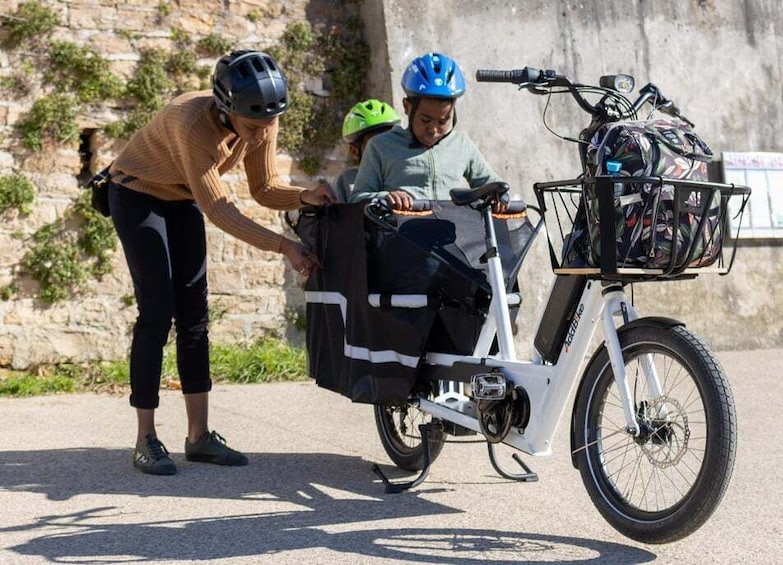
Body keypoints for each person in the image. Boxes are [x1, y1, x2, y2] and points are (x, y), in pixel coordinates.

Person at [107, 50, 335, 476]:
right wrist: (284, 245)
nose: (260, 134)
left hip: (181, 197)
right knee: (157, 313)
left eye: (268, 125)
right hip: (137, 194)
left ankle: (198, 437)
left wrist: (305, 195)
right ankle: (145, 440)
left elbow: (265, 188)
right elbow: (219, 209)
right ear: (226, 107)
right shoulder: (193, 124)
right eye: (251, 127)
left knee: (195, 315)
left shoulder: (262, 116)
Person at [348, 52, 504, 208]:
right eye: (425, 120)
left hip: (452, 230)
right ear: (407, 107)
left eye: (443, 121)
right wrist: (386, 198)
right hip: (399, 230)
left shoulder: (462, 144)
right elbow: (358, 197)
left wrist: (498, 197)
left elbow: (492, 184)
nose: (433, 130)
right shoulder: (380, 146)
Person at [334, 99, 400, 202]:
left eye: (390, 143)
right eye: (374, 147)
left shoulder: (409, 172)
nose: (385, 151)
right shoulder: (346, 182)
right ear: (354, 151)